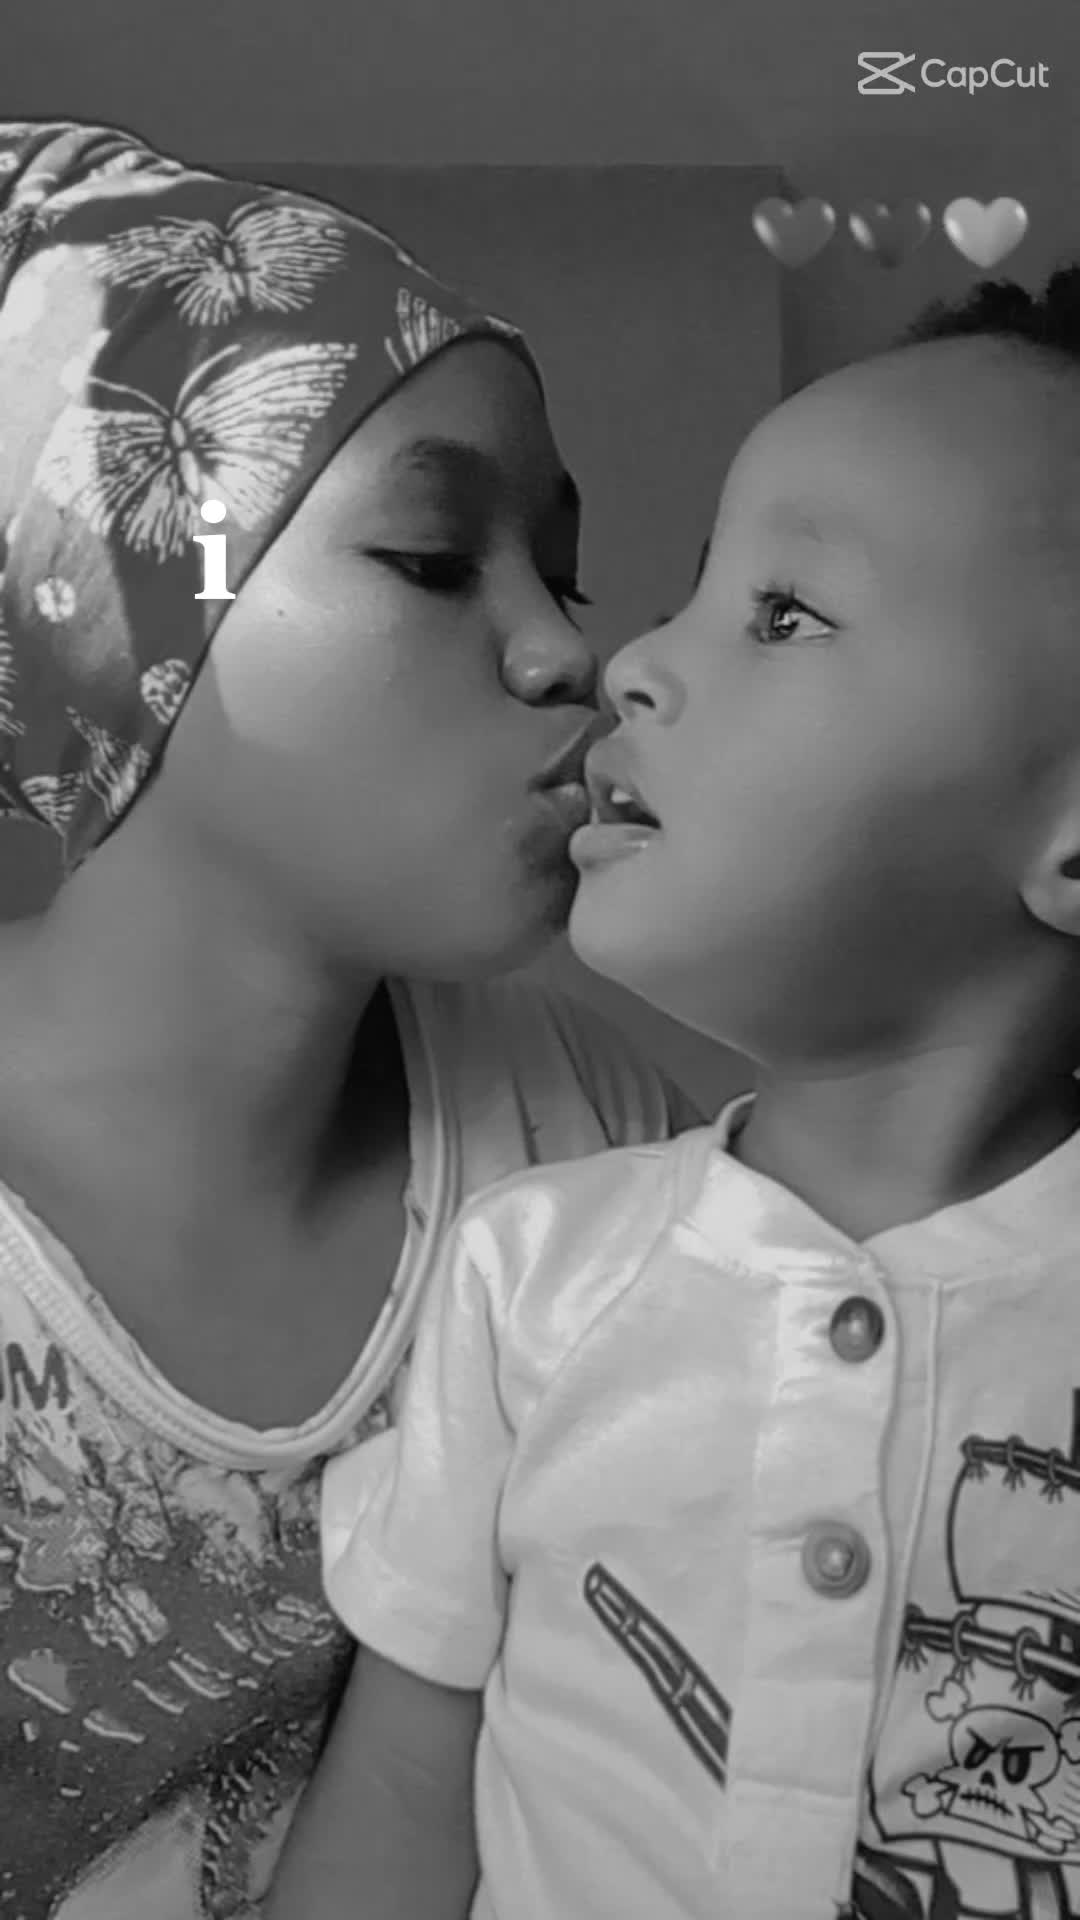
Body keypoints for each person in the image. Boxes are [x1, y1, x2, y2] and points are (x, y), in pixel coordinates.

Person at [266, 267, 1080, 1920]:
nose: (630, 661)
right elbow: (406, 1797)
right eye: (693, 593)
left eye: (785, 615)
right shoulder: (534, 1280)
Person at [0, 121, 698, 1917]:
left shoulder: (594, 1134)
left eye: (562, 572)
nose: (572, 653)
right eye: (435, 557)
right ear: (122, 614)